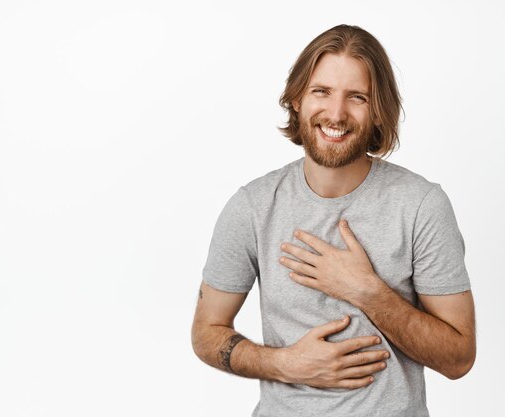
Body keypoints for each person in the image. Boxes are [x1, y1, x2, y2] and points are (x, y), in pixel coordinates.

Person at [192, 24, 476, 416]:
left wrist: (367, 291)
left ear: (378, 111)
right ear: (296, 99)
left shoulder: (421, 206)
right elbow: (207, 332)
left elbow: (458, 358)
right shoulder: (252, 207)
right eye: (321, 91)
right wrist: (284, 363)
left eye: (357, 97)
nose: (336, 114)